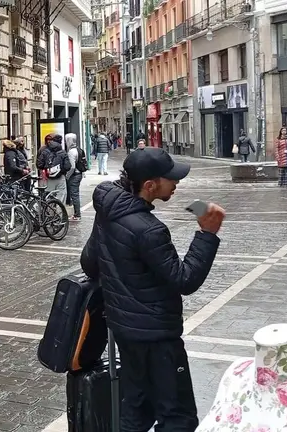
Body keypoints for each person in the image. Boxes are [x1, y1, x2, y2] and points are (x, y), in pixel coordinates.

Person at [80, 148, 225, 432]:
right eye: (170, 179)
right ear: (150, 185)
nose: (177, 183)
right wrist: (207, 234)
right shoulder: (149, 229)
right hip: (157, 337)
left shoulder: (109, 209)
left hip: (125, 329)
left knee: (136, 409)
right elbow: (184, 280)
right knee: (178, 417)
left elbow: (90, 263)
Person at [43, 134, 70, 203]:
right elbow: (67, 166)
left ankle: (49, 211)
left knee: (49, 196)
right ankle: (59, 212)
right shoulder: (63, 152)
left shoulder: (45, 151)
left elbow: (39, 164)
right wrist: (61, 171)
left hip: (48, 177)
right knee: (61, 196)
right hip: (60, 177)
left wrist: (47, 169)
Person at [65, 133, 85, 221]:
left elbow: (72, 167)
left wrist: (67, 176)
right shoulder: (78, 149)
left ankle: (77, 215)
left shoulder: (71, 152)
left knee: (74, 195)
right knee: (75, 194)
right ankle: (77, 213)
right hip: (79, 173)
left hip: (74, 175)